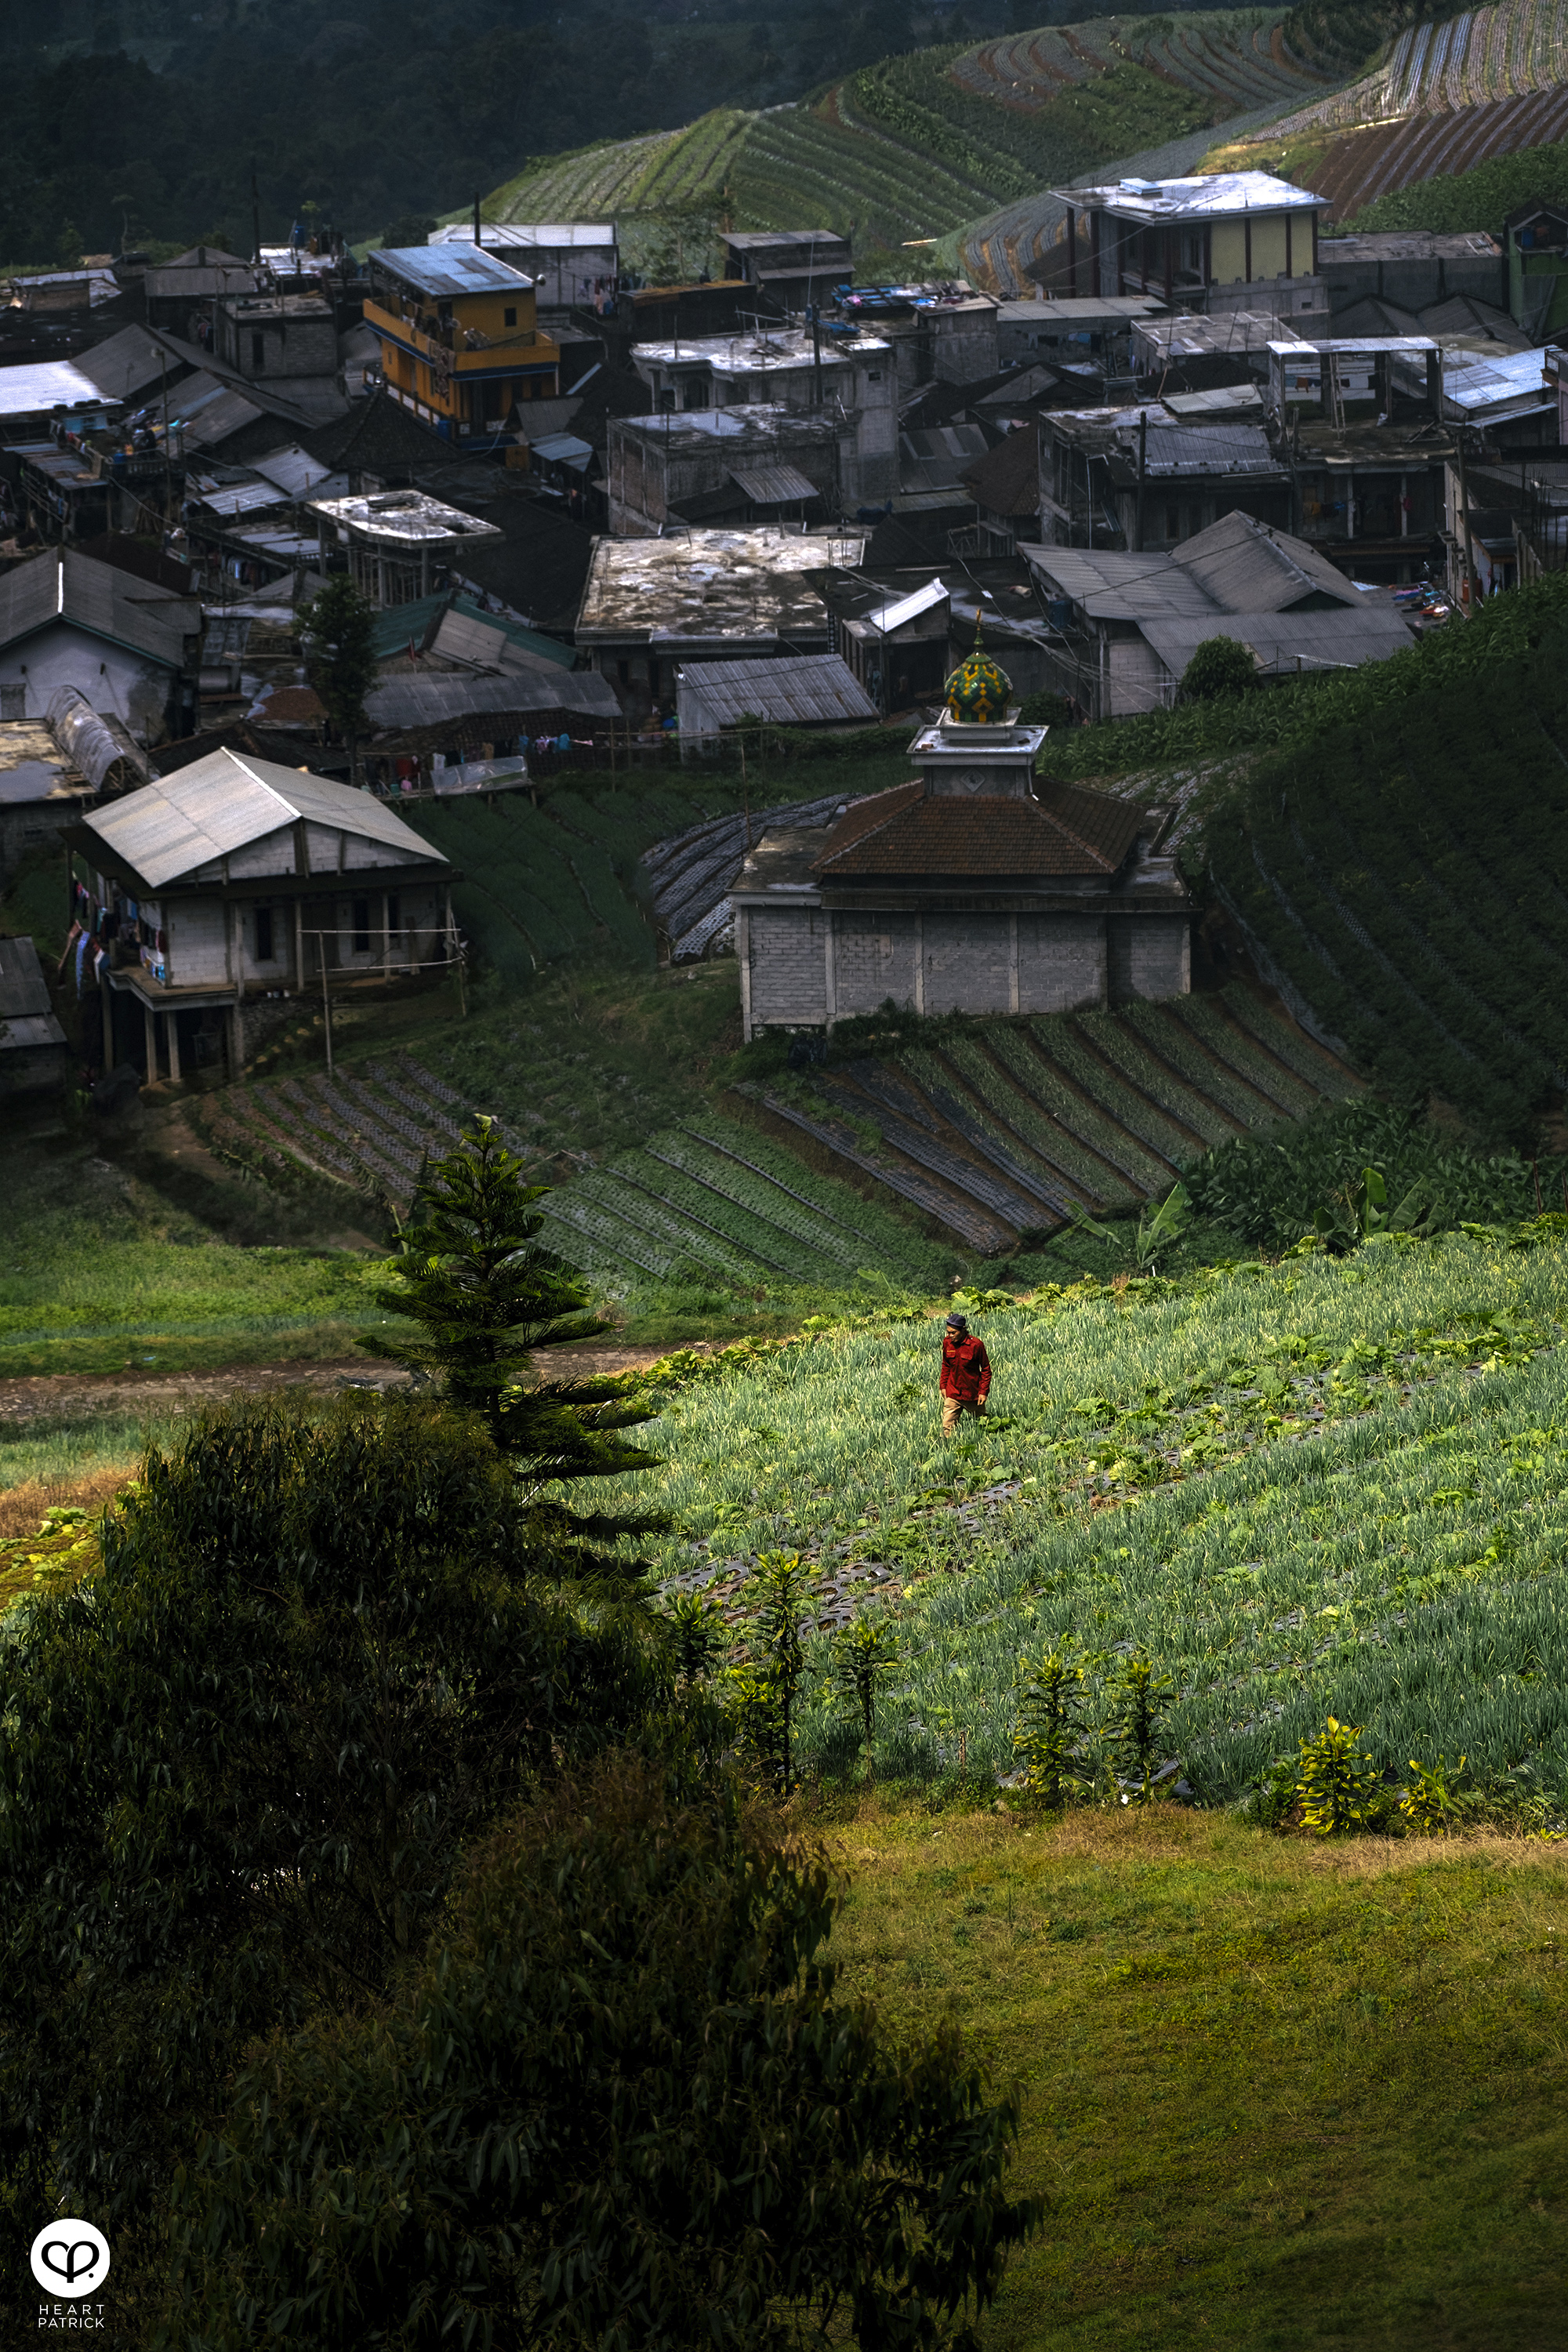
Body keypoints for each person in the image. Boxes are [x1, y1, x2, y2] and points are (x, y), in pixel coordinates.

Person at [940, 1311, 990, 1436]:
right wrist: (943, 1386)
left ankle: (986, 1442)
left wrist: (983, 1392)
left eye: (953, 1333)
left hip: (972, 1394)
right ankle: (947, 1449)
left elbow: (986, 1369)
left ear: (963, 1330)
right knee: (947, 1427)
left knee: (984, 1424)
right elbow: (946, 1365)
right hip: (953, 1392)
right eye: (948, 1332)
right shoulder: (947, 1343)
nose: (950, 1335)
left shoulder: (976, 1345)